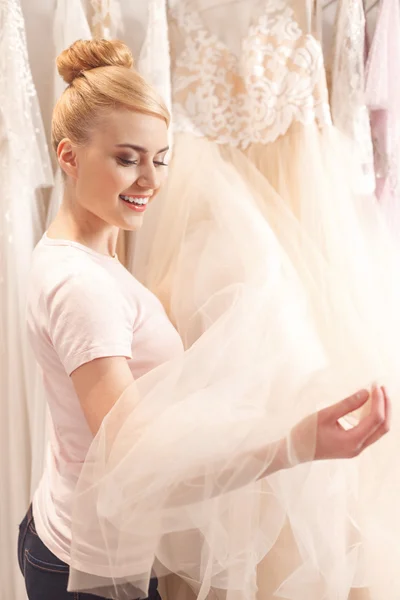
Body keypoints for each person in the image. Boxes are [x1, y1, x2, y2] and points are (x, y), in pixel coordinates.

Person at [18, 39, 391, 600]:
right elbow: (135, 462)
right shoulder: (82, 286)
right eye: (127, 159)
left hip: (71, 539)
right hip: (87, 570)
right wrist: (293, 446)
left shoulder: (82, 253)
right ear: (69, 157)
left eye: (159, 158)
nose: (151, 181)